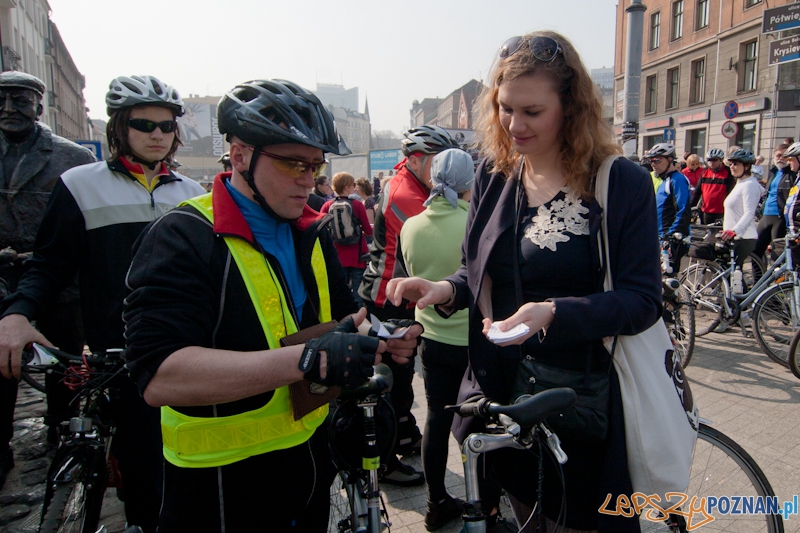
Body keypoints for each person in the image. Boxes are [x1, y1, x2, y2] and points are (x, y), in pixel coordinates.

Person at [388, 30, 660, 533]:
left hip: (578, 406)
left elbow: (643, 301)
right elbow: (477, 271)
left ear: (571, 106)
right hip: (500, 400)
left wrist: (555, 312)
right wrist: (443, 289)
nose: (514, 125)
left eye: (532, 112)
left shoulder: (619, 181)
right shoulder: (494, 174)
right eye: (505, 108)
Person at [123, 79, 421, 531]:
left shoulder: (308, 231)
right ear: (240, 155)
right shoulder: (182, 235)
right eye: (292, 163)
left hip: (309, 469)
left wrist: (380, 339)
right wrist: (306, 360)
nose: (308, 178)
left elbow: (343, 320)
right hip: (220, 491)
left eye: (316, 164)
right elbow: (159, 376)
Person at [0, 74, 204, 530]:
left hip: (186, 351)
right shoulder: (80, 184)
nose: (156, 134)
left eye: (167, 126)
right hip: (120, 354)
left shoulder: (193, 195)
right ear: (118, 127)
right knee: (145, 470)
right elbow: (49, 267)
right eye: (143, 123)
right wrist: (16, 314)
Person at [0, 71, 96, 489]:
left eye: (19, 100)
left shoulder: (70, 157)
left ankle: (63, 428)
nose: (8, 109)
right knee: (3, 359)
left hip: (60, 280)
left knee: (66, 361)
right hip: (2, 279)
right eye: (2, 99)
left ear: (39, 104)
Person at [358, 124, 459, 483]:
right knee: (392, 377)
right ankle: (384, 462)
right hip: (388, 298)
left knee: (398, 378)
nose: (445, 166)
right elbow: (437, 229)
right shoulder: (405, 194)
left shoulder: (409, 181)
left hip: (393, 293)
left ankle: (404, 434)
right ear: (415, 160)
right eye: (438, 160)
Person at [394, 148, 473, 531]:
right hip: (476, 342)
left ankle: (435, 500)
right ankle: (485, 500)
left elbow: (405, 281)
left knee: (437, 421)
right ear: (469, 182)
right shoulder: (475, 224)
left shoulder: (410, 226)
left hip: (433, 340)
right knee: (481, 422)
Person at [320, 172, 372, 306]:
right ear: (347, 187)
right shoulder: (357, 205)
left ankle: (345, 318)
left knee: (342, 290)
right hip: (358, 254)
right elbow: (367, 229)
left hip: (337, 255)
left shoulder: (327, 206)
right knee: (358, 290)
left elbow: (321, 229)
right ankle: (360, 320)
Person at [649, 143, 691, 272]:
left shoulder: (677, 180)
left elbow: (683, 210)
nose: (653, 164)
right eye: (651, 161)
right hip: (662, 236)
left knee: (669, 279)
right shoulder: (665, 180)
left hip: (672, 237)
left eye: (657, 160)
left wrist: (671, 235)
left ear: (670, 160)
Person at [719, 149, 763, 270]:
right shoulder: (740, 183)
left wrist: (734, 230)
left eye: (736, 164)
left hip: (743, 237)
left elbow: (749, 212)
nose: (732, 167)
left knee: (733, 275)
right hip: (734, 237)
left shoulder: (749, 185)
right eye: (731, 164)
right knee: (731, 276)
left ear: (747, 166)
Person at [755, 144, 793, 261]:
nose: (781, 158)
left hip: (780, 216)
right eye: (778, 155)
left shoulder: (792, 174)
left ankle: (778, 279)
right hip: (766, 215)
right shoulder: (773, 172)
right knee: (755, 250)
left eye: (784, 156)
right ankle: (759, 278)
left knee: (776, 253)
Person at [691, 147, 734, 225]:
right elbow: (698, 191)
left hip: (721, 212)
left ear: (721, 160)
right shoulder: (704, 172)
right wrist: (691, 207)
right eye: (709, 160)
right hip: (705, 210)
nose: (711, 162)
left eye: (714, 160)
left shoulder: (728, 172)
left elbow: (731, 192)